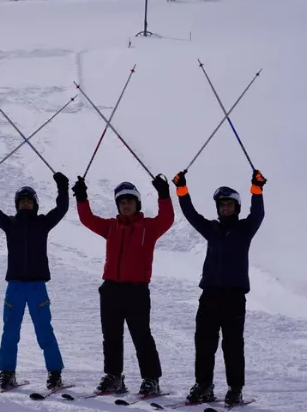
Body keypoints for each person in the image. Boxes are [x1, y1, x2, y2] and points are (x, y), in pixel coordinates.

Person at [72, 175, 174, 397]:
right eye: (122, 201)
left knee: (141, 335)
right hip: (110, 289)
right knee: (111, 335)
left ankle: (151, 379)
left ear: (137, 203)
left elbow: (167, 218)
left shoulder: (149, 227)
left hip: (136, 291)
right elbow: (88, 219)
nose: (126, 205)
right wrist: (81, 197)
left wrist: (164, 194)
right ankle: (114, 376)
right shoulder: (111, 227)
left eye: (129, 200)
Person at [172, 169, 266, 407]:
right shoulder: (211, 229)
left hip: (234, 296)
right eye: (221, 204)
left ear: (236, 207)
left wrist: (257, 189)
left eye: (229, 204)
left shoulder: (245, 229)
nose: (225, 208)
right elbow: (191, 214)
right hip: (210, 295)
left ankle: (235, 389)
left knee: (232, 345)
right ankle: (203, 385)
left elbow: (259, 213)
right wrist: (182, 189)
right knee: (204, 343)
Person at [0, 169, 70, 391]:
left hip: (37, 287)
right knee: (10, 331)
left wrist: (62, 187)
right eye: (22, 201)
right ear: (17, 204)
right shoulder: (10, 223)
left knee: (44, 330)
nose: (25, 204)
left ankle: (54, 374)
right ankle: (7, 374)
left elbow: (62, 208)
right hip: (15, 287)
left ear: (35, 205)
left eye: (29, 201)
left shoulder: (43, 223)